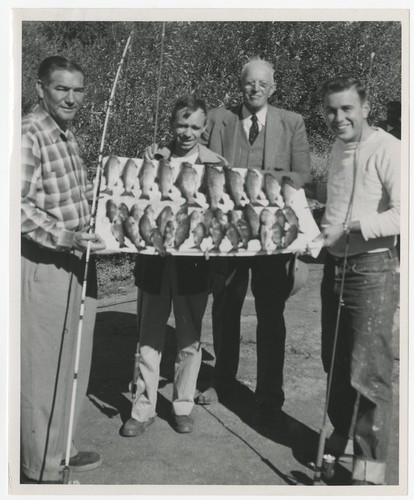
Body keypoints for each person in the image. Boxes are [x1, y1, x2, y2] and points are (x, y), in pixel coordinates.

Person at [197, 58, 311, 431]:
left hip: (270, 235)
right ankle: (222, 382)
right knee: (225, 306)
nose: (255, 89)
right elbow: (186, 149)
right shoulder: (217, 118)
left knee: (270, 313)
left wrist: (261, 184)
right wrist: (160, 153)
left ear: (273, 88)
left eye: (263, 84)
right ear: (240, 85)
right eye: (249, 83)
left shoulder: (291, 122)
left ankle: (268, 397)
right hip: (227, 232)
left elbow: (302, 173)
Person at [120, 95, 227, 437]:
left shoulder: (216, 165)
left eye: (195, 126)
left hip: (194, 265)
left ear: (204, 129)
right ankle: (142, 407)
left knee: (189, 339)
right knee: (148, 338)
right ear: (171, 125)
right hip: (155, 262)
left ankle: (182, 405)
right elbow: (133, 200)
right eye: (181, 124)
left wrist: (217, 261)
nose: (187, 132)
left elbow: (221, 218)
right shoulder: (153, 158)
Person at [21, 56, 106, 483]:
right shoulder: (26, 134)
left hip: (77, 262)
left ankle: (62, 450)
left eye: (78, 90)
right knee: (43, 369)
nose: (71, 98)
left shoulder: (66, 133)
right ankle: (40, 469)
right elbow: (13, 209)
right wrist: (67, 237)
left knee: (74, 360)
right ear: (40, 89)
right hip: (46, 263)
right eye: (61, 89)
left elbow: (70, 196)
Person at [320, 76, 400, 485]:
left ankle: (368, 476)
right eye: (332, 110)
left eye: (347, 109)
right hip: (335, 267)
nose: (339, 118)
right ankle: (342, 440)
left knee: (369, 373)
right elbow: (337, 200)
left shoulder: (390, 149)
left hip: (371, 270)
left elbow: (405, 215)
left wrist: (349, 228)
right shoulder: (338, 145)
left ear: (365, 108)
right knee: (334, 363)